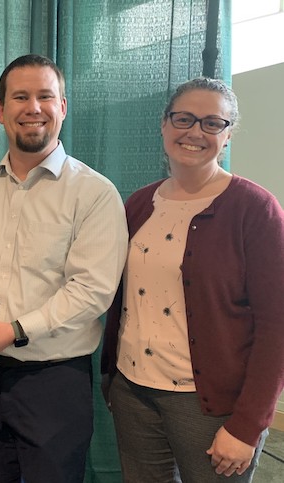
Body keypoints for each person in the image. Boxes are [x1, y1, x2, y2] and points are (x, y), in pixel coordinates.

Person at [0, 54, 128, 483]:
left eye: (46, 96)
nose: (34, 107)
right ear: (1, 111)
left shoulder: (94, 193)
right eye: (20, 96)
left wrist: (17, 330)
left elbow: (92, 291)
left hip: (54, 381)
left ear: (63, 107)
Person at [101, 77, 284, 482]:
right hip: (133, 391)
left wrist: (247, 425)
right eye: (183, 118)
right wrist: (111, 378)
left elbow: (277, 326)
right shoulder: (138, 203)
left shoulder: (255, 210)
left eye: (212, 123)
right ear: (164, 125)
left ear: (228, 134)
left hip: (210, 405)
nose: (195, 132)